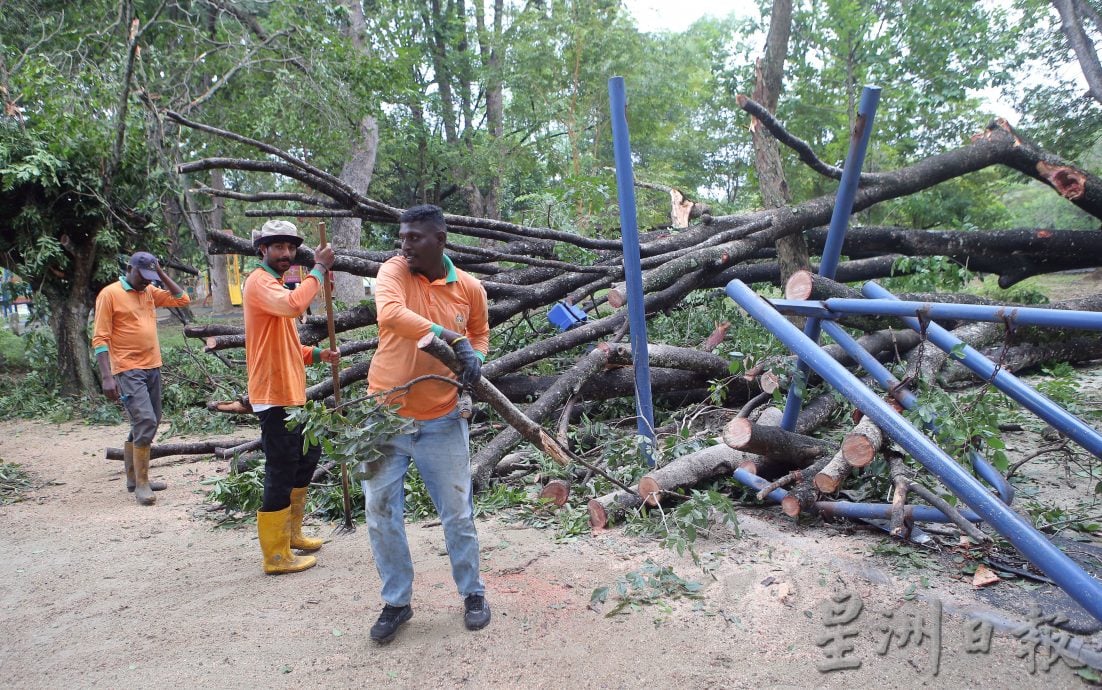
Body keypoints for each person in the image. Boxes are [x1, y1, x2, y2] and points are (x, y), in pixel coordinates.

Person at [363, 204, 491, 643]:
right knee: (381, 516)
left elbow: (479, 333)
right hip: (383, 418)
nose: (404, 245)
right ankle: (397, 602)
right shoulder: (394, 272)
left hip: (442, 419)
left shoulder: (470, 288)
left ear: (440, 239)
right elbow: (391, 316)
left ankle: (472, 594)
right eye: (402, 236)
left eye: (414, 237)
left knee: (457, 514)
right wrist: (453, 339)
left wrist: (475, 359)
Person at [243, 220, 338, 575]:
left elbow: (283, 342)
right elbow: (296, 306)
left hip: (291, 391)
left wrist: (315, 354)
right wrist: (320, 268)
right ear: (262, 250)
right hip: (273, 393)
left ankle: (292, 533)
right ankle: (275, 555)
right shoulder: (259, 283)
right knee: (280, 470)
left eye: (290, 247)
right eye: (277, 247)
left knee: (307, 454)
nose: (285, 253)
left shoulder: (277, 285)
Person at [92, 252, 191, 505]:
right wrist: (107, 377)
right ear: (129, 268)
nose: (146, 282)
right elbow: (100, 338)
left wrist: (159, 273)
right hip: (127, 369)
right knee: (145, 420)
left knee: (152, 419)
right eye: (143, 275)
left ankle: (134, 478)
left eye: (150, 277)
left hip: (152, 366)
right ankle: (142, 484)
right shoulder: (110, 294)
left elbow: (182, 299)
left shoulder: (149, 290)